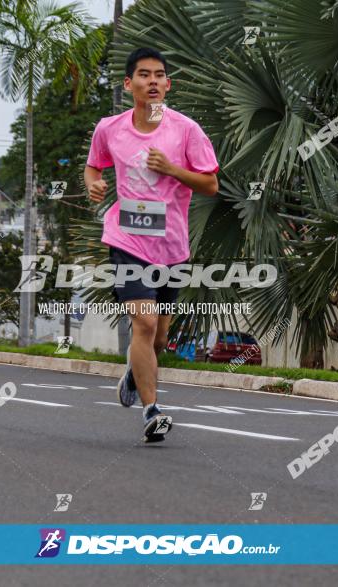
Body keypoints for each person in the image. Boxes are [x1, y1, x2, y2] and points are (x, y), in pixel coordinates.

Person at [85, 47, 220, 442]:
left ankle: (134, 370)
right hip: (126, 239)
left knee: (159, 338)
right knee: (142, 322)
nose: (153, 81)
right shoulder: (109, 129)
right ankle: (151, 411)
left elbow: (211, 184)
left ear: (168, 84)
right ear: (129, 84)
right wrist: (92, 183)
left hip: (172, 247)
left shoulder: (185, 130)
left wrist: (173, 169)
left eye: (160, 75)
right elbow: (94, 164)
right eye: (144, 75)